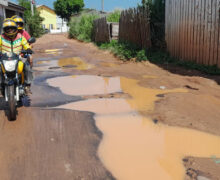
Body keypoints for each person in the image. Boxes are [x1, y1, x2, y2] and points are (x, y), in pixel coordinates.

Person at [0, 18, 33, 92]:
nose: (10, 31)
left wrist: (28, 49)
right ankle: (1, 85)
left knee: (27, 66)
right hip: (4, 58)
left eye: (12, 29)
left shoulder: (20, 37)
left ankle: (27, 85)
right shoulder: (1, 37)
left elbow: (25, 44)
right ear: (4, 30)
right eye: (8, 29)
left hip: (18, 57)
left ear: (16, 29)